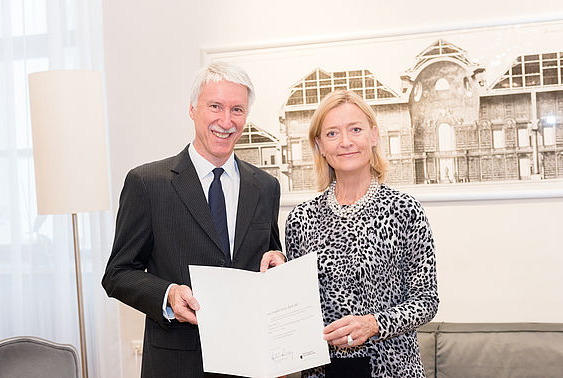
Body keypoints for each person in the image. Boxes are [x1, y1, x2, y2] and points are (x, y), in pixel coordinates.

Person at [102, 62, 285, 378]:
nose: (226, 121)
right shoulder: (148, 183)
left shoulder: (266, 187)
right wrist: (169, 294)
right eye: (215, 106)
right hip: (178, 365)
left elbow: (270, 257)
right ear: (192, 109)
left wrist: (279, 261)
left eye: (237, 110)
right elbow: (118, 274)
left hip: (251, 363)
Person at [285, 90, 438, 377]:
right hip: (322, 372)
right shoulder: (300, 220)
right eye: (332, 133)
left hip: (392, 370)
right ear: (319, 145)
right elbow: (296, 307)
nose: (345, 142)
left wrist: (374, 324)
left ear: (374, 135)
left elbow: (426, 300)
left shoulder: (404, 210)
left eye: (355, 129)